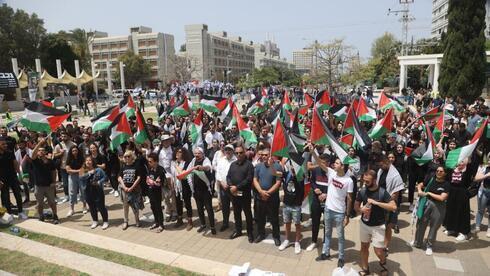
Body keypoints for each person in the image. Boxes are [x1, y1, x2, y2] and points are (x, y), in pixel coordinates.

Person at [355, 170, 397, 276]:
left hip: (378, 226)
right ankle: (365, 268)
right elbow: (356, 206)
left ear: (374, 180)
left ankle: (383, 264)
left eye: (367, 181)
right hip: (364, 224)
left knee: (378, 251)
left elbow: (393, 207)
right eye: (364, 181)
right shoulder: (363, 191)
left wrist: (376, 203)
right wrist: (361, 210)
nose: (365, 183)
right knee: (364, 247)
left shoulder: (382, 192)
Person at [315, 157, 353, 269]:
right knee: (327, 232)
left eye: (337, 163)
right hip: (328, 208)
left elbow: (349, 199)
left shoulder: (348, 181)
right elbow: (319, 163)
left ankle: (341, 257)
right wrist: (312, 151)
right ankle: (325, 253)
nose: (333, 164)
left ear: (342, 166)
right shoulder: (331, 173)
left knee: (340, 236)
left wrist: (347, 215)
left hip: (340, 212)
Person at [411, 166, 449, 255]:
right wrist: (420, 190)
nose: (438, 172)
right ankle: (417, 242)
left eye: (441, 171)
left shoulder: (446, 184)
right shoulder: (431, 180)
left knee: (434, 226)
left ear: (445, 173)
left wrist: (428, 193)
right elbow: (420, 184)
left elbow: (442, 198)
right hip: (427, 203)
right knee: (421, 223)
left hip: (439, 206)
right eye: (437, 171)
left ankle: (429, 246)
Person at [253, 147, 282, 246]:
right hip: (260, 197)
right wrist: (261, 192)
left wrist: (268, 193)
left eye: (266, 155)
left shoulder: (277, 166)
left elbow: (278, 183)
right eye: (263, 155)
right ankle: (261, 234)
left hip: (272, 198)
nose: (264, 157)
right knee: (260, 218)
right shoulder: (258, 166)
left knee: (274, 218)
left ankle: (276, 236)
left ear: (271, 155)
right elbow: (255, 180)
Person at [377, 155, 404, 255]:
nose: (380, 167)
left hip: (389, 204)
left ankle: (385, 246)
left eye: (381, 165)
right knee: (380, 225)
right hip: (380, 202)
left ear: (386, 163)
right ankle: (379, 241)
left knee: (388, 226)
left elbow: (395, 195)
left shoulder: (395, 175)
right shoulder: (381, 171)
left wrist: (385, 204)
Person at [226, 145, 254, 242]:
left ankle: (250, 232)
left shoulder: (249, 165)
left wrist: (236, 187)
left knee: (248, 214)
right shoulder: (233, 164)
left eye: (241, 152)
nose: (239, 154)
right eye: (237, 153)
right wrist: (231, 186)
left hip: (245, 194)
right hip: (234, 194)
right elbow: (228, 176)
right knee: (236, 214)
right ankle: (238, 231)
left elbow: (249, 179)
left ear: (244, 152)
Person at [278, 161, 304, 254]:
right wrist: (272, 165)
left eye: (295, 166)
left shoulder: (300, 176)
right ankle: (287, 239)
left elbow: (300, 188)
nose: (293, 167)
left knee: (297, 224)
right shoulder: (286, 174)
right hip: (286, 204)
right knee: (287, 223)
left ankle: (297, 242)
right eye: (292, 165)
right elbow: (275, 173)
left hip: (296, 205)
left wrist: (295, 174)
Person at [31, 138, 59, 224]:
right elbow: (32, 154)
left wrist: (54, 182)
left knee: (52, 202)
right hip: (38, 186)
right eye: (39, 150)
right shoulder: (35, 161)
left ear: (45, 152)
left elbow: (54, 172)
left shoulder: (50, 161)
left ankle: (55, 215)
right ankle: (41, 216)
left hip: (49, 186)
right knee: (40, 204)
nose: (41, 152)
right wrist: (39, 143)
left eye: (43, 150)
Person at [444, 160, 474, 241]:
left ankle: (463, 233)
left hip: (462, 193)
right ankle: (451, 228)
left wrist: (470, 160)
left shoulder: (467, 171)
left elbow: (472, 168)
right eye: (459, 162)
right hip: (452, 193)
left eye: (462, 162)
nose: (460, 163)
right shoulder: (452, 169)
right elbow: (447, 179)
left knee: (462, 212)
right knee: (451, 210)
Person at [306, 153, 330, 252]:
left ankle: (325, 243)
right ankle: (314, 241)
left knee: (327, 223)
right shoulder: (316, 170)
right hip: (316, 200)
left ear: (328, 163)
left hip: (328, 201)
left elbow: (335, 187)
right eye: (320, 163)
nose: (321, 165)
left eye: (324, 163)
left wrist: (326, 194)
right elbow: (312, 181)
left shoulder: (332, 172)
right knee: (315, 222)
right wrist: (315, 188)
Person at [188, 147, 216, 234]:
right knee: (199, 209)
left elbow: (208, 167)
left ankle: (212, 226)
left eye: (198, 153)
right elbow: (189, 169)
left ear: (202, 153)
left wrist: (202, 167)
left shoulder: (206, 160)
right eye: (195, 153)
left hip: (206, 190)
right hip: (196, 189)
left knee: (209, 209)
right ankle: (203, 224)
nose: (196, 155)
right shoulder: (193, 160)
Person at [80, 156, 109, 230]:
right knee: (91, 207)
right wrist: (89, 173)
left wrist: (99, 182)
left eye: (90, 160)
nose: (88, 162)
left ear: (93, 162)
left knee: (101, 206)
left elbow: (105, 177)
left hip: (98, 190)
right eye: (87, 160)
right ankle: (95, 221)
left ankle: (105, 221)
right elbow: (81, 178)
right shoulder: (83, 170)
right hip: (87, 191)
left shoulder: (98, 170)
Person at [0, 137, 25, 218]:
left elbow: (15, 163)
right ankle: (9, 213)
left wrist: (20, 175)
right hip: (2, 180)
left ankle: (21, 212)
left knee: (18, 194)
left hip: (13, 177)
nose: (5, 145)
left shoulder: (10, 152)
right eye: (3, 144)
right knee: (5, 197)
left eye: (6, 144)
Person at [118, 150, 143, 230]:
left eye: (128, 156)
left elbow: (139, 177)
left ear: (132, 157)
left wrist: (132, 187)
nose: (126, 158)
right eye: (125, 157)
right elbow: (119, 177)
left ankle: (137, 220)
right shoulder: (123, 167)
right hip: (124, 190)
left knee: (135, 206)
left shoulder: (136, 166)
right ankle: (125, 221)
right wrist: (124, 187)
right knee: (125, 206)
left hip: (134, 190)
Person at [215, 144, 237, 231]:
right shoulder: (221, 160)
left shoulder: (236, 160)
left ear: (233, 151)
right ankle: (225, 223)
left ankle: (237, 224)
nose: (227, 151)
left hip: (233, 188)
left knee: (236, 206)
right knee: (225, 207)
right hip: (223, 187)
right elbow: (218, 173)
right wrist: (222, 182)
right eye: (226, 150)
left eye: (230, 150)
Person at [171, 147, 193, 230]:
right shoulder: (173, 162)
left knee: (187, 203)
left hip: (185, 185)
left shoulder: (187, 163)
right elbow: (173, 175)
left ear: (183, 154)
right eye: (176, 151)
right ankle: (180, 219)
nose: (177, 153)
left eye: (180, 152)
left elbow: (183, 175)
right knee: (178, 203)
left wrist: (176, 166)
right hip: (177, 186)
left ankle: (190, 221)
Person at [146, 152, 166, 232]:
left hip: (157, 192)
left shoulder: (160, 170)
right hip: (150, 191)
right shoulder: (150, 169)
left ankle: (161, 224)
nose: (149, 163)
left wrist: (153, 182)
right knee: (153, 207)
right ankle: (156, 222)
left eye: (150, 161)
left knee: (158, 208)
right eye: (148, 161)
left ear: (156, 161)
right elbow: (147, 179)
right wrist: (152, 182)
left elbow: (159, 183)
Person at [54, 132, 75, 203]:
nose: (63, 138)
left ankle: (75, 194)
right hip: (63, 167)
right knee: (65, 183)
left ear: (68, 137)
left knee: (73, 182)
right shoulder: (58, 146)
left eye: (65, 136)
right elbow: (54, 156)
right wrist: (60, 153)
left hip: (72, 167)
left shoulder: (73, 144)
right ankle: (67, 195)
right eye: (62, 136)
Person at [65, 145, 87, 217]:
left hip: (81, 175)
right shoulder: (68, 159)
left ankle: (84, 206)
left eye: (76, 150)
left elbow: (83, 168)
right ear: (71, 152)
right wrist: (77, 170)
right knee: (71, 192)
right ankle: (71, 209)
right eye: (73, 151)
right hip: (72, 177)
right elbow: (68, 170)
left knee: (83, 191)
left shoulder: (82, 158)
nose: (75, 152)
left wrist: (75, 171)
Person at [473, 157, 490, 237]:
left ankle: (489, 229)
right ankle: (477, 226)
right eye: (489, 158)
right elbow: (476, 179)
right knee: (480, 210)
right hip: (484, 191)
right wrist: (487, 175)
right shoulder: (484, 168)